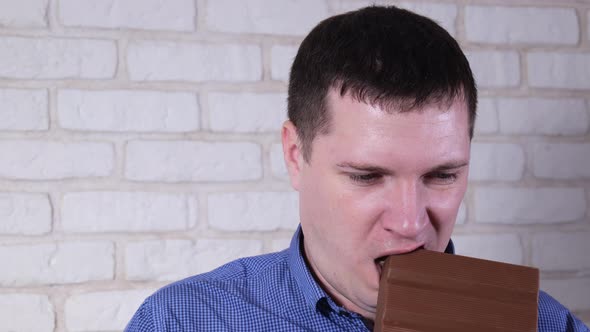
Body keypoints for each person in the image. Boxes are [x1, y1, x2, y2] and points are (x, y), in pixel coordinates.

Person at [126, 6, 589, 331]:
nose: (410, 225)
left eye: (442, 175)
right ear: (295, 154)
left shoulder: (547, 326)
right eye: (367, 176)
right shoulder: (183, 321)